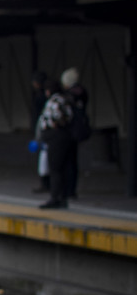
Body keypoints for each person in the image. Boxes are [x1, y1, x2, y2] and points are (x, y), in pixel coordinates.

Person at [36, 77, 74, 209]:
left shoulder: (55, 101)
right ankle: (63, 197)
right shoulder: (65, 99)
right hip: (63, 137)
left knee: (55, 169)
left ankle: (55, 198)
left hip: (56, 138)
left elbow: (57, 117)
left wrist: (52, 126)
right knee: (63, 168)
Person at [61, 67, 89, 199]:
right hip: (78, 130)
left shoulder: (68, 95)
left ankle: (67, 190)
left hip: (68, 131)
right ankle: (72, 190)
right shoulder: (82, 92)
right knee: (73, 161)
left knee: (67, 161)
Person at [30, 71, 51, 194]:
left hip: (44, 132)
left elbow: (40, 117)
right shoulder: (44, 96)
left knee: (44, 159)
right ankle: (47, 183)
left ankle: (46, 184)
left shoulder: (41, 98)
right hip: (44, 132)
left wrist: (37, 134)